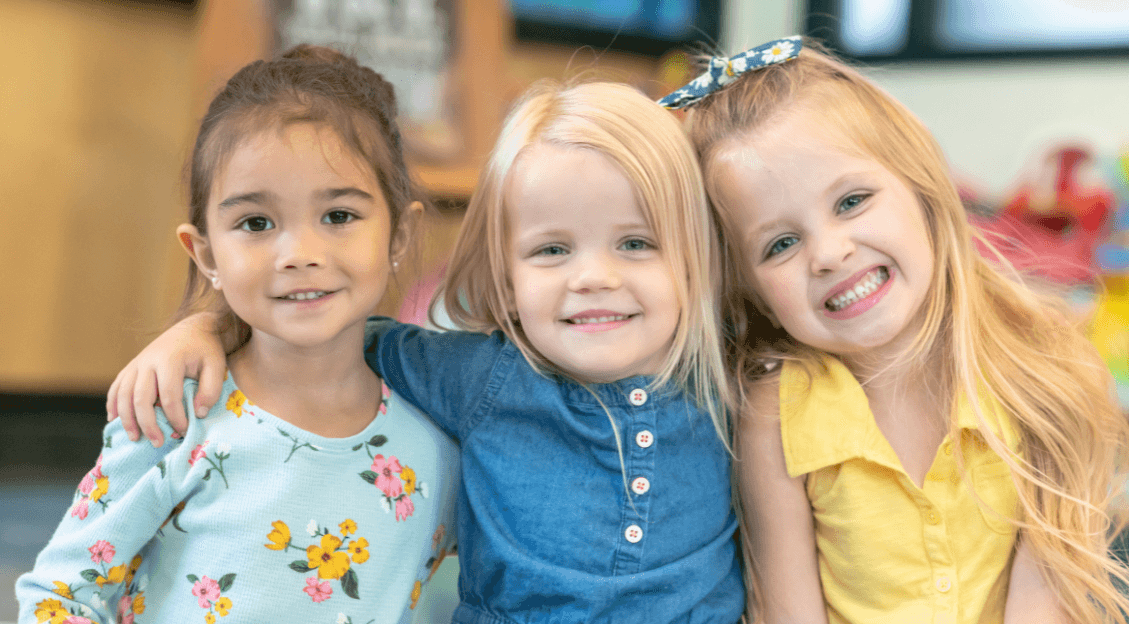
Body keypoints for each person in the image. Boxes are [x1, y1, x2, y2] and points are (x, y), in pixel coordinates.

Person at [102, 80, 745, 623]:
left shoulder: (733, 378)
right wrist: (206, 327)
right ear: (507, 281)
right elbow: (328, 332)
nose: (594, 277)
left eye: (636, 243)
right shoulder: (480, 377)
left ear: (696, 259)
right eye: (552, 250)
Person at [660, 36, 1129, 624]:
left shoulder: (1042, 365)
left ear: (920, 185)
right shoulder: (774, 416)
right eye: (781, 243)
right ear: (748, 287)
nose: (829, 254)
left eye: (851, 201)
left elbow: (1043, 602)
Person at [17, 46, 459, 623]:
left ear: (400, 234)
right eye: (256, 223)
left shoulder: (438, 435)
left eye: (338, 216)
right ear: (206, 255)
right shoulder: (172, 415)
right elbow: (60, 595)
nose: (299, 253)